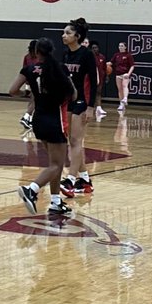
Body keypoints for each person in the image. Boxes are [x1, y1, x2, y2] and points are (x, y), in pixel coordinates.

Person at [13, 37, 75, 216]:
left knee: (54, 164)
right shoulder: (59, 68)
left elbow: (12, 91)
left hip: (38, 120)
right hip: (55, 120)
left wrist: (28, 93)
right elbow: (73, 93)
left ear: (35, 52)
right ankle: (31, 190)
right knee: (57, 165)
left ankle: (56, 202)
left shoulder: (29, 69)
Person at [59, 18, 97, 197]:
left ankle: (70, 180)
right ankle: (85, 180)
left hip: (82, 101)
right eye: (64, 32)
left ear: (77, 36)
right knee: (72, 142)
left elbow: (95, 83)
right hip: (68, 100)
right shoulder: (66, 54)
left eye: (68, 33)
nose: (64, 35)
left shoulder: (86, 54)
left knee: (75, 141)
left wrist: (91, 107)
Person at [109, 42, 135, 112]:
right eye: (119, 46)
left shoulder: (128, 55)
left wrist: (128, 74)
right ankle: (121, 104)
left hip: (125, 74)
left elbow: (132, 66)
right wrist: (106, 64)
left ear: (125, 47)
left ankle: (125, 98)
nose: (120, 47)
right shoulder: (116, 55)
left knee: (124, 86)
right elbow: (111, 62)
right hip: (118, 74)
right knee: (120, 89)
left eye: (122, 46)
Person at [20, 40, 38, 133]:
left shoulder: (27, 57)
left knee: (32, 101)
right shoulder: (38, 58)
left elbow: (24, 70)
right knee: (35, 101)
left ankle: (29, 120)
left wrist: (26, 84)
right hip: (36, 82)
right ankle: (26, 116)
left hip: (29, 81)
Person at [88, 41, 108, 120]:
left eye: (95, 48)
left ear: (98, 48)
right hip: (90, 78)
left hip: (100, 77)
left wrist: (106, 76)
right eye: (93, 48)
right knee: (90, 93)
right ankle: (89, 107)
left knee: (98, 92)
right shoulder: (89, 57)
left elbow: (105, 68)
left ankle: (99, 108)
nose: (94, 49)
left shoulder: (102, 57)